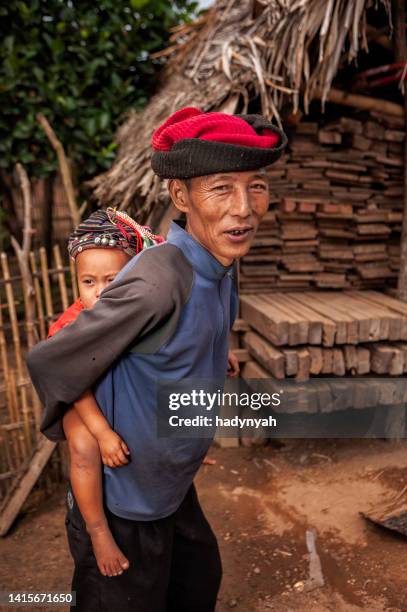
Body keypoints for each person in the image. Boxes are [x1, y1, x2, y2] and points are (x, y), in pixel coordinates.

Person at [27, 106, 286, 612]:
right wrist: (94, 437)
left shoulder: (223, 265)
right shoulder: (158, 280)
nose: (244, 208)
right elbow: (52, 362)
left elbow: (178, 351)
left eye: (256, 186)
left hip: (170, 484)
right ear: (179, 195)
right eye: (221, 188)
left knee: (195, 584)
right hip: (125, 500)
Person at [48, 208, 163, 578]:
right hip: (82, 398)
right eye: (89, 282)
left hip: (121, 393)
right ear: (76, 282)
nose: (100, 292)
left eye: (113, 280)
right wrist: (102, 431)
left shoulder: (140, 312)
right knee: (84, 447)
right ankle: (98, 531)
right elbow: (73, 382)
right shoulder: (74, 325)